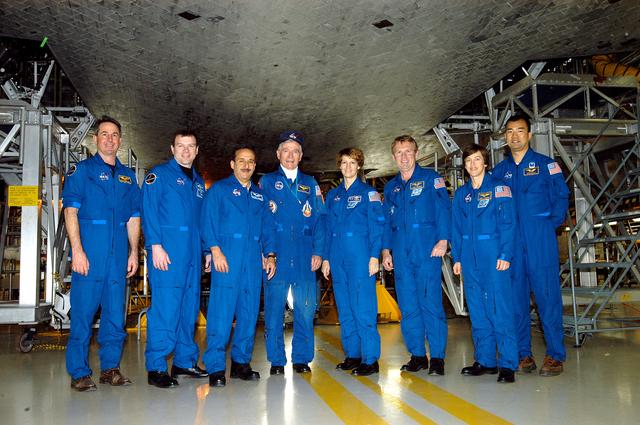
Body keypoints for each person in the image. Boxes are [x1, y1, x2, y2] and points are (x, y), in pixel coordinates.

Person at [62, 116, 141, 391]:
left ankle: (110, 369)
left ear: (120, 141)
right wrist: (77, 250)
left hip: (118, 255)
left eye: (115, 135)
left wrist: (133, 253)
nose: (109, 139)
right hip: (90, 255)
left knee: (114, 316)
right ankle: (79, 372)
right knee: (83, 314)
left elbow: (133, 217)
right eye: (104, 134)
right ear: (95, 139)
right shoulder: (81, 171)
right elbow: (70, 211)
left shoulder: (128, 177)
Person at [492, 114, 569, 376]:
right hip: (511, 245)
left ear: (530, 135)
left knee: (548, 298)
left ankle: (555, 355)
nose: (515, 136)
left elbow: (561, 197)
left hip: (540, 242)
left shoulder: (548, 166)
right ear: (505, 136)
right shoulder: (498, 173)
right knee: (515, 301)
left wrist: (549, 225)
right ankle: (523, 353)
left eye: (520, 131)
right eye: (510, 131)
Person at [201, 147, 276, 387]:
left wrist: (270, 254)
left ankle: (241, 363)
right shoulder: (219, 191)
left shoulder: (259, 196)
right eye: (241, 161)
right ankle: (215, 367)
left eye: (251, 162)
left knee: (248, 312)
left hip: (253, 261)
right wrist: (214, 250)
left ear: (255, 166)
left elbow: (267, 228)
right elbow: (207, 222)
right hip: (227, 259)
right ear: (232, 164)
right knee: (221, 314)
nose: (246, 165)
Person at [141, 130, 210, 388]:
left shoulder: (199, 183)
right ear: (172, 148)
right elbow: (148, 212)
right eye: (180, 146)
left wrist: (205, 252)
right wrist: (155, 245)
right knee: (166, 309)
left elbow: (201, 222)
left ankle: (183, 361)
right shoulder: (158, 176)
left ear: (197, 150)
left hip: (192, 254)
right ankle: (157, 366)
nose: (185, 150)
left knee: (189, 309)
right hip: (167, 253)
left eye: (190, 146)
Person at [381, 135, 450, 375]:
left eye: (408, 152)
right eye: (399, 153)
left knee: (430, 303)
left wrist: (443, 240)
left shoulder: (432, 179)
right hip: (401, 251)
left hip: (426, 249)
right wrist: (386, 250)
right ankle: (418, 355)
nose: (404, 157)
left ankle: (438, 357)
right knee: (408, 306)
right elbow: (387, 222)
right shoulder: (391, 187)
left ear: (416, 153)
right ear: (394, 157)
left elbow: (443, 210)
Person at [259, 131, 326, 375]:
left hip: (304, 255)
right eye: (285, 150)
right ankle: (277, 360)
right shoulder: (266, 182)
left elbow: (320, 220)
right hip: (277, 254)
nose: (290, 155)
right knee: (274, 311)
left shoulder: (311, 183)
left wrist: (319, 250)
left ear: (301, 156)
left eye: (295, 151)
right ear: (278, 154)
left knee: (306, 310)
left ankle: (301, 358)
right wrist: (266, 252)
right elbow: (262, 220)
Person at [451, 145, 518, 384]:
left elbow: (508, 224)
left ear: (485, 163)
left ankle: (508, 363)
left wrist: (505, 254)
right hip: (469, 258)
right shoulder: (461, 194)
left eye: (477, 159)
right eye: (468, 161)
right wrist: (457, 257)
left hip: (493, 255)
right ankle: (486, 360)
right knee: (477, 311)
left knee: (500, 309)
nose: (473, 164)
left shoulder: (500, 189)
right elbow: (456, 229)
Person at [321, 148, 385, 376]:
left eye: (352, 163)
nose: (348, 167)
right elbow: (328, 229)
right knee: (346, 309)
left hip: (360, 256)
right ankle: (353, 354)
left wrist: (374, 256)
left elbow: (378, 226)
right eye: (344, 162)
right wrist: (326, 258)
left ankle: (370, 358)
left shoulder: (369, 194)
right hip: (338, 257)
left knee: (364, 308)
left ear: (359, 166)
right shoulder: (333, 196)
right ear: (340, 166)